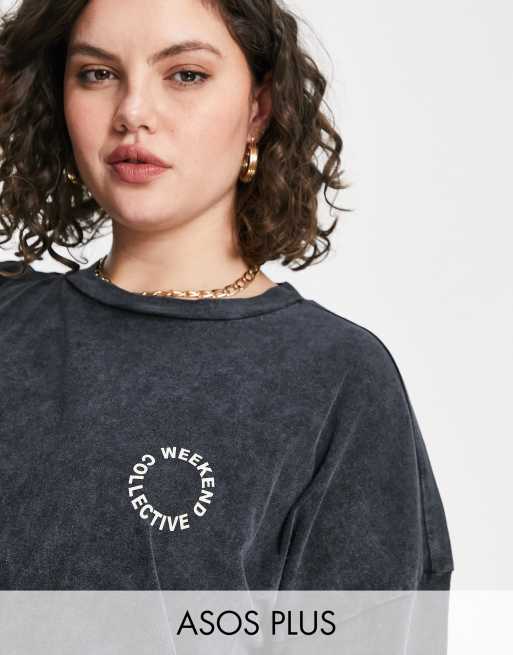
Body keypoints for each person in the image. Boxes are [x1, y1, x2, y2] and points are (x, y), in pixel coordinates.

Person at [0, 0, 454, 592]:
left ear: (258, 109)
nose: (133, 112)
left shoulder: (335, 377)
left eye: (186, 74)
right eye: (98, 73)